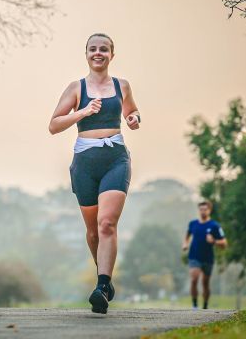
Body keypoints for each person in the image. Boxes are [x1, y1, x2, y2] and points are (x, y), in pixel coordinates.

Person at [48, 33, 141, 314]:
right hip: (85, 163)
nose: (98, 53)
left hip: (115, 158)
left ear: (112, 54)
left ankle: (102, 284)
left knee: (106, 224)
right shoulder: (76, 88)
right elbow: (53, 125)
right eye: (93, 49)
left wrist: (134, 118)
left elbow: (132, 111)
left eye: (104, 49)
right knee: (92, 232)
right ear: (86, 54)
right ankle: (104, 277)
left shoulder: (121, 85)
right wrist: (83, 112)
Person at [181, 200, 227, 310]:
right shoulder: (193, 224)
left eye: (205, 209)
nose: (203, 211)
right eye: (201, 209)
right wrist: (185, 244)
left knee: (205, 283)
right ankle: (195, 305)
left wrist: (214, 241)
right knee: (194, 279)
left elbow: (224, 243)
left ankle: (205, 306)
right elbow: (187, 236)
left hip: (208, 258)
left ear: (209, 210)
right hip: (194, 256)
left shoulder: (215, 226)